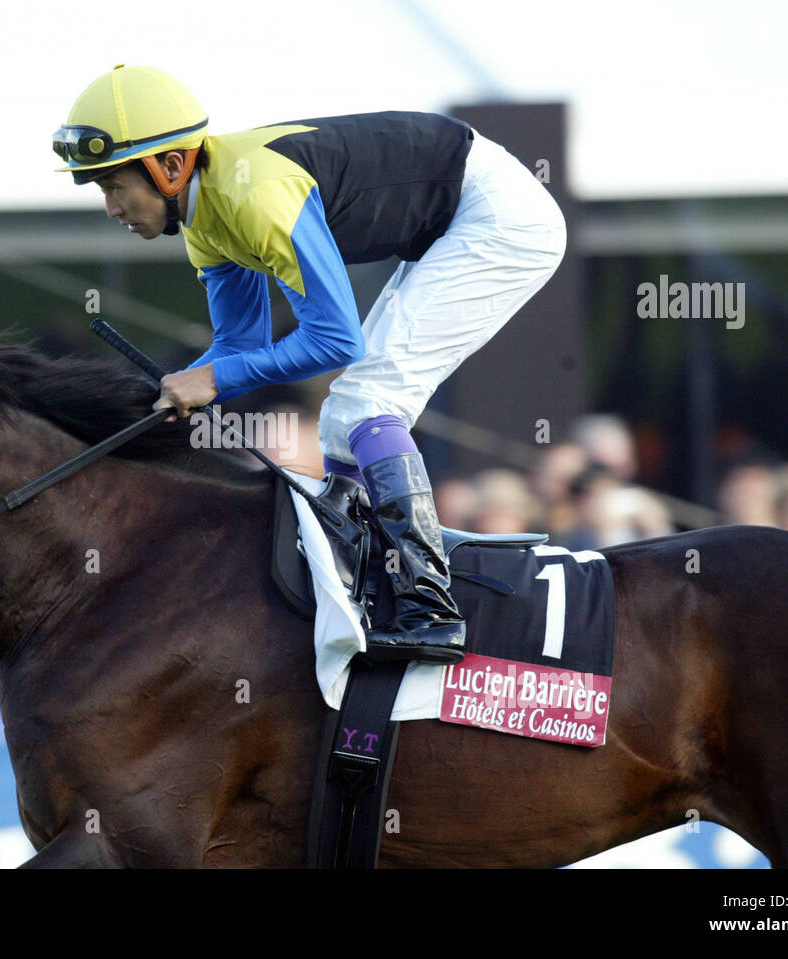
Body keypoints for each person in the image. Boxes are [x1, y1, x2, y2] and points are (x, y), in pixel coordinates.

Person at [53, 65, 566, 664]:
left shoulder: (253, 195)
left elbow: (335, 342)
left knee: (366, 401)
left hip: (499, 218)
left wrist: (210, 379)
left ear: (170, 167)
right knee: (339, 420)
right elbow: (238, 350)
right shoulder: (204, 220)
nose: (111, 207)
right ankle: (364, 578)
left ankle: (430, 606)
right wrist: (158, 399)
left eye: (115, 186)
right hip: (453, 218)